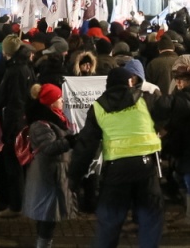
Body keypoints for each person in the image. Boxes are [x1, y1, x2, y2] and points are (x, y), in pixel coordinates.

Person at [68, 67, 164, 248]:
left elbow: (86, 147)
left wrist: (74, 177)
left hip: (116, 171)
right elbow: (168, 113)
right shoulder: (145, 100)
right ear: (129, 82)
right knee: (150, 219)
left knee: (109, 221)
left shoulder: (98, 107)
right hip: (146, 168)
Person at [154, 59, 190, 229]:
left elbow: (177, 121)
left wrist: (166, 131)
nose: (177, 83)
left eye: (181, 80)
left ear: (189, 81)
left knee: (189, 179)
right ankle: (189, 212)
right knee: (186, 177)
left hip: (187, 145)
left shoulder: (182, 98)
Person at [22, 83, 75, 248]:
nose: (62, 101)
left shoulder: (56, 118)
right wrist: (70, 142)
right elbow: (49, 148)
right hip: (47, 175)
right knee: (48, 216)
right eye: (59, 98)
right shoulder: (41, 124)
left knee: (47, 215)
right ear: (51, 102)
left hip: (53, 173)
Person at [0, 35, 36, 218]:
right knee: (22, 166)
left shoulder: (14, 72)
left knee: (13, 167)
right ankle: (23, 202)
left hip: (15, 125)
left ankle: (16, 205)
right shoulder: (26, 69)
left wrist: (9, 129)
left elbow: (12, 102)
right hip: (24, 122)